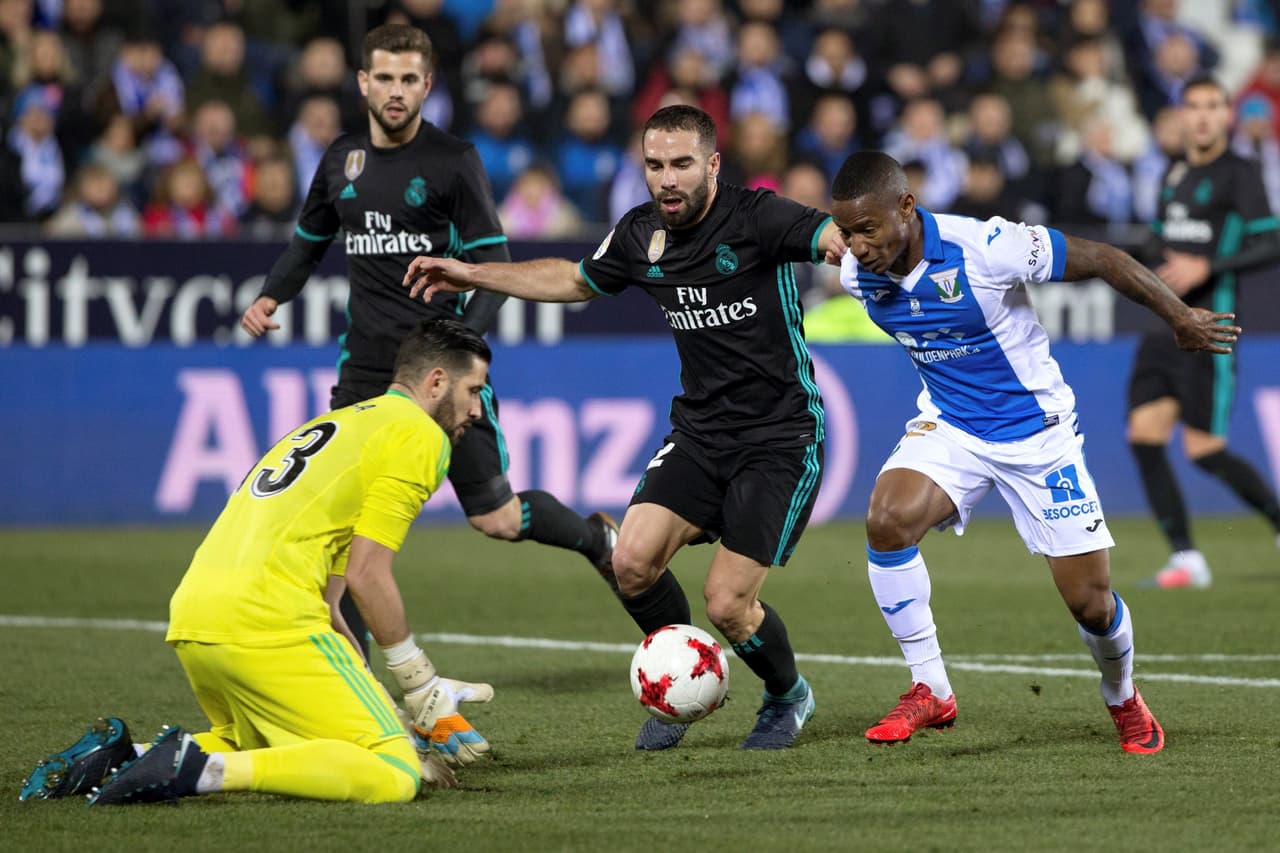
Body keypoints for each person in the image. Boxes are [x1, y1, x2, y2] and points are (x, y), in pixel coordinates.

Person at [404, 104, 842, 752]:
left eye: (682, 164)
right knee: (630, 562)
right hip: (700, 432)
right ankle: (675, 675)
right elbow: (576, 280)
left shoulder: (759, 218)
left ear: (712, 164)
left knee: (727, 603)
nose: (667, 178)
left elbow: (831, 233)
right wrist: (470, 271)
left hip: (780, 437)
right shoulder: (640, 235)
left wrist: (852, 243)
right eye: (655, 165)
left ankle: (787, 694)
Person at [829, 150, 1239, 753]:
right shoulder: (855, 275)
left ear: (907, 209)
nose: (859, 247)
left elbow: (1103, 258)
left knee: (1091, 604)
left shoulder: (987, 247)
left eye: (869, 229)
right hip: (952, 428)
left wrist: (1178, 317)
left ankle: (1123, 694)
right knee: (886, 520)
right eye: (847, 233)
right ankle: (931, 688)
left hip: (1037, 436)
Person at [239, 24, 618, 659]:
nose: (395, 91)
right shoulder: (341, 161)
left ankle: (594, 540)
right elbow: (308, 242)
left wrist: (460, 343)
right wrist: (272, 293)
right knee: (343, 543)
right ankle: (356, 688)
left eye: (408, 79)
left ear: (427, 85)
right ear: (363, 82)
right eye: (384, 77)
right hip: (364, 370)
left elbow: (494, 269)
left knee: (495, 518)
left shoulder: (451, 161)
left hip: (439, 374)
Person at [21, 319, 498, 805]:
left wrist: (382, 709)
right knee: (395, 773)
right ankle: (202, 771)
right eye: (473, 390)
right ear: (436, 381)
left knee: (266, 740)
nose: (477, 410)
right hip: (269, 619)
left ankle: (124, 756)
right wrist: (419, 686)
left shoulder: (341, 424)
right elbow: (367, 574)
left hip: (196, 616)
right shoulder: (419, 433)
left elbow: (333, 604)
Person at [1128, 75, 1280, 588]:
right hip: (1164, 324)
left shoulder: (1240, 173)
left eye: (1213, 106)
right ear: (1182, 114)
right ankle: (1187, 559)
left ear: (1227, 116)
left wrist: (1207, 266)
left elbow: (1271, 240)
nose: (1203, 116)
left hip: (1210, 326)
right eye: (1193, 106)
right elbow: (1156, 237)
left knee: (1203, 449)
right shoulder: (1174, 174)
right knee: (1144, 436)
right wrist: (1149, 257)